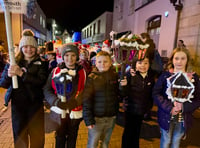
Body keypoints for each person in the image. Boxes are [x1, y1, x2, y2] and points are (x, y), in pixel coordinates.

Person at [0, 29, 47, 148]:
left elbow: (41, 82)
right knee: (20, 136)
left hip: (35, 105)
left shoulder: (41, 63)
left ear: (36, 48)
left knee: (37, 136)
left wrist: (22, 74)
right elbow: (3, 83)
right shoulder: (13, 62)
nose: (28, 49)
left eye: (31, 46)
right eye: (25, 46)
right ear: (21, 47)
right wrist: (8, 75)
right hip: (18, 106)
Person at [152, 47, 200, 148]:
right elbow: (156, 93)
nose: (179, 61)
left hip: (183, 118)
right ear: (172, 60)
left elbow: (197, 99)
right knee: (165, 141)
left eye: (183, 58)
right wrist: (170, 108)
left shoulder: (193, 77)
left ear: (187, 60)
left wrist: (183, 107)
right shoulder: (166, 76)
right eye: (176, 58)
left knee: (176, 142)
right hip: (166, 116)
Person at [43, 43, 86, 148]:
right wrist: (56, 102)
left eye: (73, 55)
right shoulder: (55, 71)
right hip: (59, 111)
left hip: (74, 112)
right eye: (66, 55)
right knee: (60, 137)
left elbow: (86, 91)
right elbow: (47, 89)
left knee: (72, 137)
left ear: (77, 56)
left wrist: (76, 101)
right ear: (62, 57)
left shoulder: (82, 72)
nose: (70, 58)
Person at [83, 51, 126, 148]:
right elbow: (87, 100)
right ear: (95, 63)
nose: (102, 64)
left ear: (111, 63)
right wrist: (88, 119)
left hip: (111, 117)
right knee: (92, 143)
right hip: (96, 118)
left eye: (105, 61)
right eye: (100, 62)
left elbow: (120, 95)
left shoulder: (115, 76)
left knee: (105, 143)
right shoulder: (92, 78)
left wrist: (123, 87)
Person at [121, 56, 156, 148]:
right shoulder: (130, 75)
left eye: (145, 63)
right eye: (140, 63)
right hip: (130, 109)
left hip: (141, 110)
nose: (143, 65)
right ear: (135, 64)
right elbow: (123, 93)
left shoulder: (150, 77)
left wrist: (148, 107)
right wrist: (123, 85)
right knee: (128, 132)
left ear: (149, 64)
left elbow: (150, 94)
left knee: (137, 132)